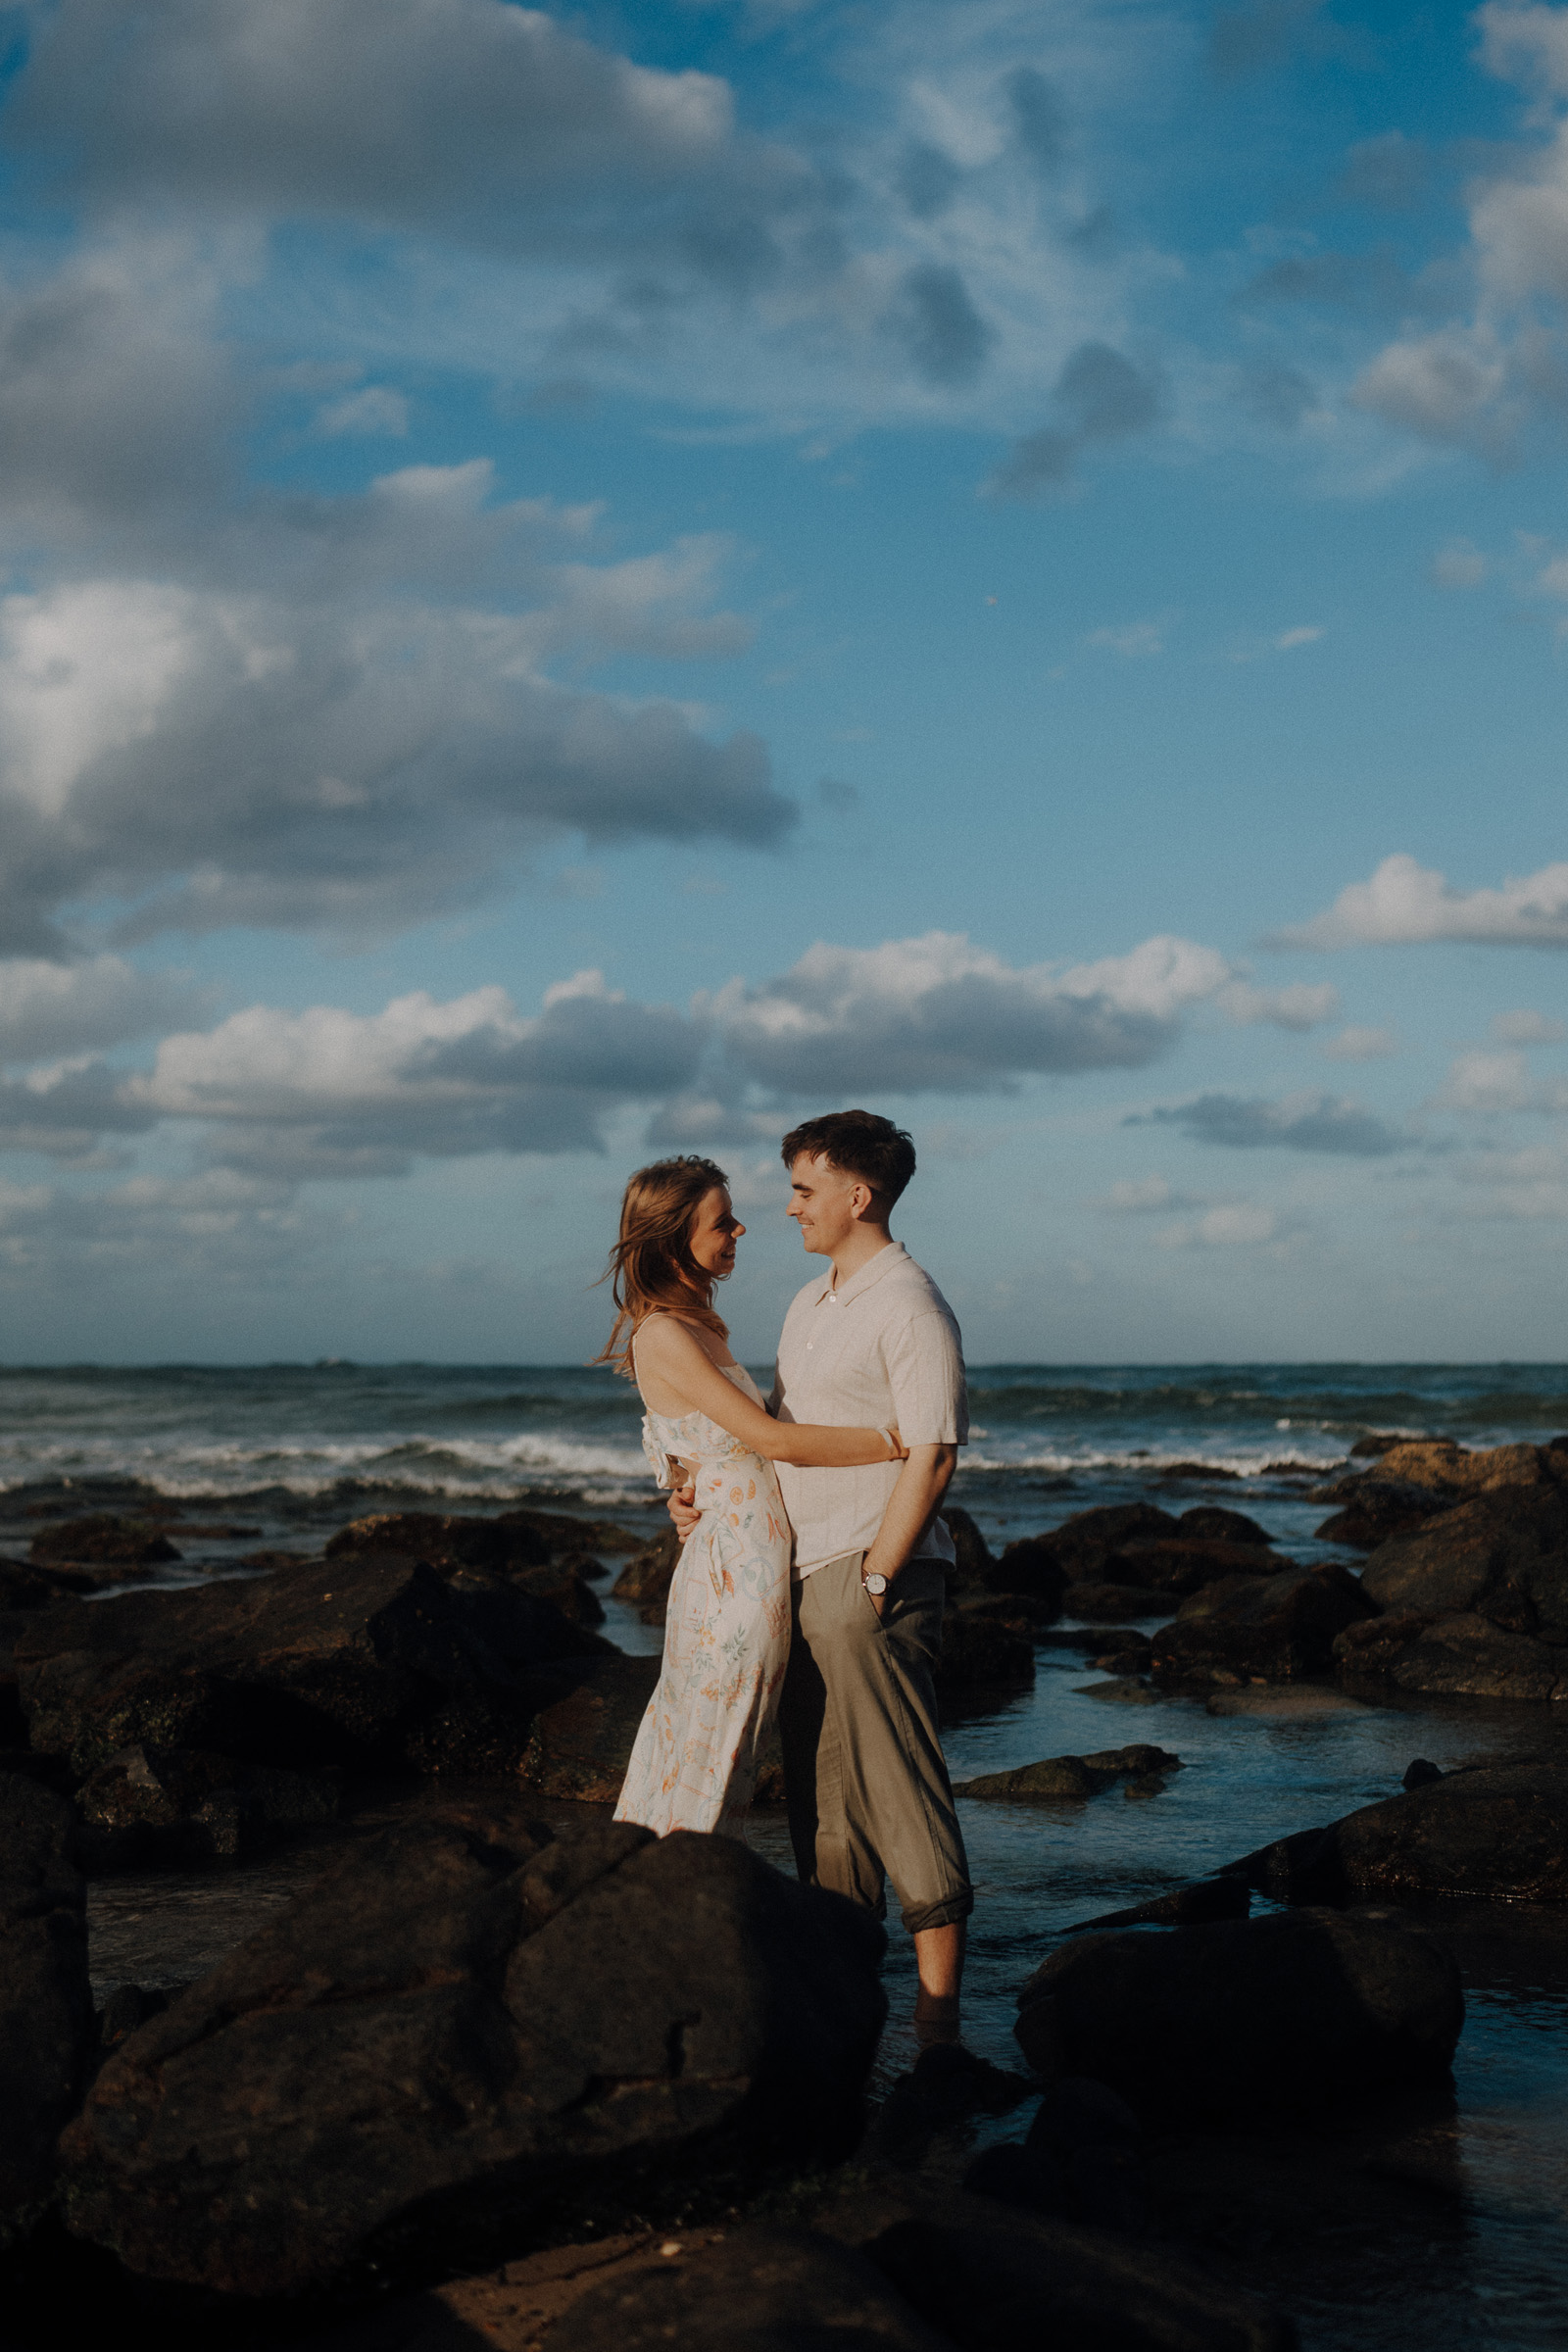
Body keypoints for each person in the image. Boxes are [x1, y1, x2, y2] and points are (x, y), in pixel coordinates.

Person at [669, 1110, 972, 2041]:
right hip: (799, 1574)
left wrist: (879, 1580)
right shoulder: (812, 1304)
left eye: (804, 1188)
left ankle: (938, 2026)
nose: (789, 1207)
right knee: (823, 1804)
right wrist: (699, 1499)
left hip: (869, 1578)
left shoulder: (911, 1304)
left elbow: (931, 1455)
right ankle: (850, 2000)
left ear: (858, 1194)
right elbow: (775, 1439)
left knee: (899, 1785)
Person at [596, 1154, 908, 1840]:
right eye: (721, 1221)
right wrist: (898, 1440)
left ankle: (670, 1891)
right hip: (733, 1574)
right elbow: (774, 1440)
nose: (739, 1231)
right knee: (712, 1738)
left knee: (722, 1742)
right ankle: (664, 1889)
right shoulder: (665, 1333)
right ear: (672, 1237)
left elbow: (699, 1451)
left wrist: (686, 1491)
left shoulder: (701, 1327)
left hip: (750, 1561)